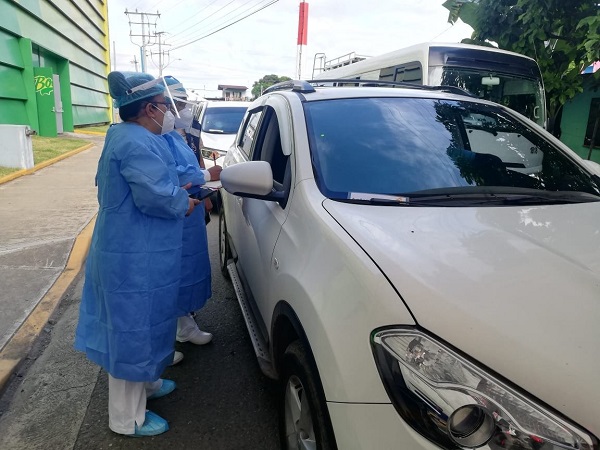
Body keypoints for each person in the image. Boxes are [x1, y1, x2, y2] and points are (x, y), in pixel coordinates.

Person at [74, 71, 201, 437]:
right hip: (130, 258)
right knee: (131, 333)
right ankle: (126, 419)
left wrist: (181, 188)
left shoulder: (133, 136)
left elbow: (158, 181)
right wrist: (185, 200)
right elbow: (156, 196)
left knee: (148, 325)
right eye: (165, 106)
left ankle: (147, 384)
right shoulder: (134, 142)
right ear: (149, 108)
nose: (170, 113)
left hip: (140, 252)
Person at [162, 76, 221, 358]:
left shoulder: (177, 133)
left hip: (190, 208)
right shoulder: (150, 139)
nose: (183, 110)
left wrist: (204, 183)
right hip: (171, 213)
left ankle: (184, 325)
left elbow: (192, 159)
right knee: (168, 275)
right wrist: (208, 175)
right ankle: (161, 340)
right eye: (178, 105)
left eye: (185, 104)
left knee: (188, 269)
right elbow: (171, 175)